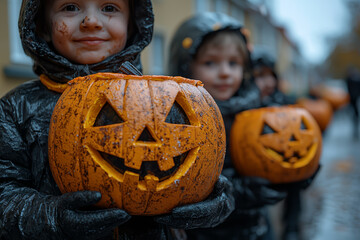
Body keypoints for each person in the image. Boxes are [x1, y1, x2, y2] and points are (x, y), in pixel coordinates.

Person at [0, 1, 235, 239]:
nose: (91, 21)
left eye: (109, 8)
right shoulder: (17, 107)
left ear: (133, 23)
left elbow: (202, 162)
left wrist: (217, 199)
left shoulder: (169, 96)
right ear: (41, 24)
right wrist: (52, 217)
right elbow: (4, 195)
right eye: (70, 7)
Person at [168, 12, 287, 240]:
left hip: (255, 227)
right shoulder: (177, 119)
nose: (224, 72)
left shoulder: (256, 111)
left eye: (233, 63)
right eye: (210, 62)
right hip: (202, 232)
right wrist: (241, 191)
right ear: (186, 66)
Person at [252, 51, 321, 240]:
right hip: (257, 167)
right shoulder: (246, 109)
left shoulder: (284, 103)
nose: (267, 83)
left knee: (294, 187)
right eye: (259, 76)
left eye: (270, 76)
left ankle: (291, 224)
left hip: (284, 160)